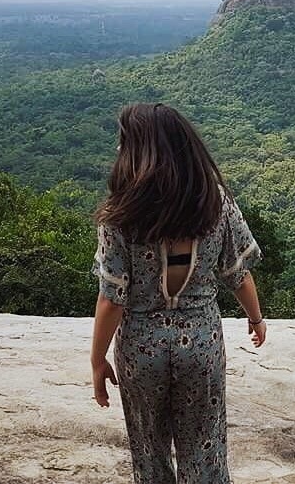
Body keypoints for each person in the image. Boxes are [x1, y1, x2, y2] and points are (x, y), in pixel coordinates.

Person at [89, 102, 266, 484]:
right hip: (200, 342)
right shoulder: (216, 201)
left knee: (148, 450)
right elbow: (238, 274)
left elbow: (111, 298)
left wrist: (98, 360)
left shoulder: (121, 213)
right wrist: (255, 318)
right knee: (204, 446)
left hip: (140, 345)